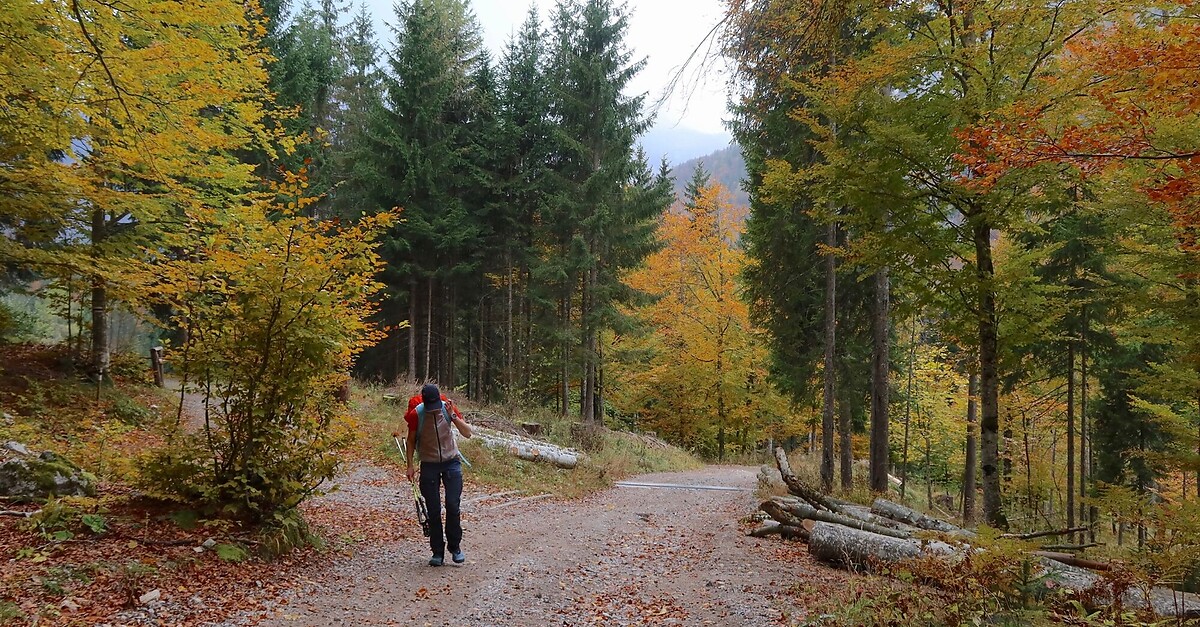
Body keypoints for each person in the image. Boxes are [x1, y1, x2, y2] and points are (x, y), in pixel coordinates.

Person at [404, 383, 473, 566]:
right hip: (429, 464)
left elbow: (467, 433)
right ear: (425, 402)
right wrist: (410, 466)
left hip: (451, 462)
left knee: (453, 504)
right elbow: (410, 441)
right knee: (433, 510)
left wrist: (453, 417)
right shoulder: (416, 415)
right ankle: (437, 552)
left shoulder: (447, 407)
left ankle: (455, 547)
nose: (434, 409)